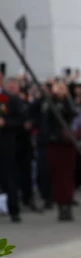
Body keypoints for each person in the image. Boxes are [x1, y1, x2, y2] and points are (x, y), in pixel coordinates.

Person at [37, 79, 79, 221]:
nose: (60, 89)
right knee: (56, 176)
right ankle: (61, 206)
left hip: (67, 143)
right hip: (54, 143)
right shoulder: (48, 103)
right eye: (58, 87)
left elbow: (73, 112)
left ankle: (68, 205)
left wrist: (66, 97)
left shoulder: (69, 102)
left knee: (68, 175)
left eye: (63, 87)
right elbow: (44, 118)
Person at [0, 75, 28, 223]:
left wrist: (5, 123)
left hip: (5, 144)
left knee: (8, 177)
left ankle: (14, 210)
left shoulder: (9, 99)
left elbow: (21, 120)